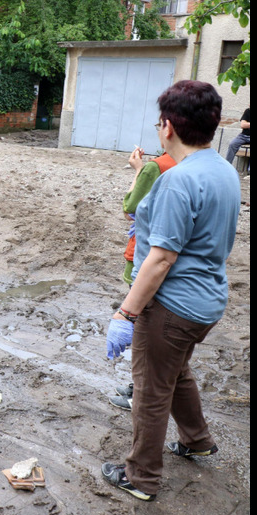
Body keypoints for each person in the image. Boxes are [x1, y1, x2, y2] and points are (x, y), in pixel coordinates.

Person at [101, 80, 241, 502]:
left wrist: (126, 314)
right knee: (176, 371)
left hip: (172, 308)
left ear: (166, 127)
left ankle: (141, 476)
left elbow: (161, 259)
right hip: (206, 303)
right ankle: (197, 440)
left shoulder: (178, 181)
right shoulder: (224, 171)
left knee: (149, 389)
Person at [109, 147, 177, 412]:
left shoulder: (156, 167)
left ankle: (139, 393)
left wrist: (138, 169)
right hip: (173, 264)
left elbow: (129, 209)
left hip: (145, 258)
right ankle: (138, 387)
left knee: (144, 330)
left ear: (169, 127)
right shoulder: (199, 167)